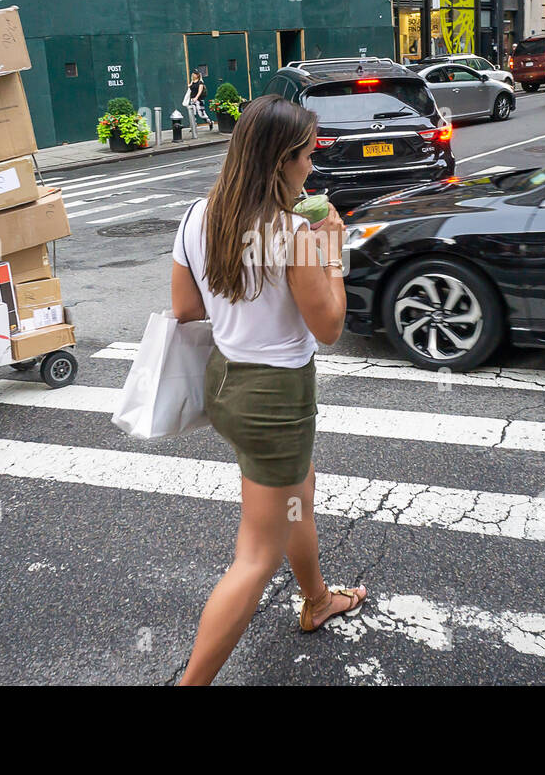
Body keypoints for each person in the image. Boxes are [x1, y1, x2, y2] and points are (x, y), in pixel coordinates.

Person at [171, 94, 367, 685]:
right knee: (255, 557)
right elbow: (330, 328)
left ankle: (316, 600)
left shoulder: (199, 216)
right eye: (308, 156)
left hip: (227, 386)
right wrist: (331, 251)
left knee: (293, 493)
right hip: (276, 401)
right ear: (281, 161)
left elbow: (184, 308)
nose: (312, 168)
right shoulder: (293, 234)